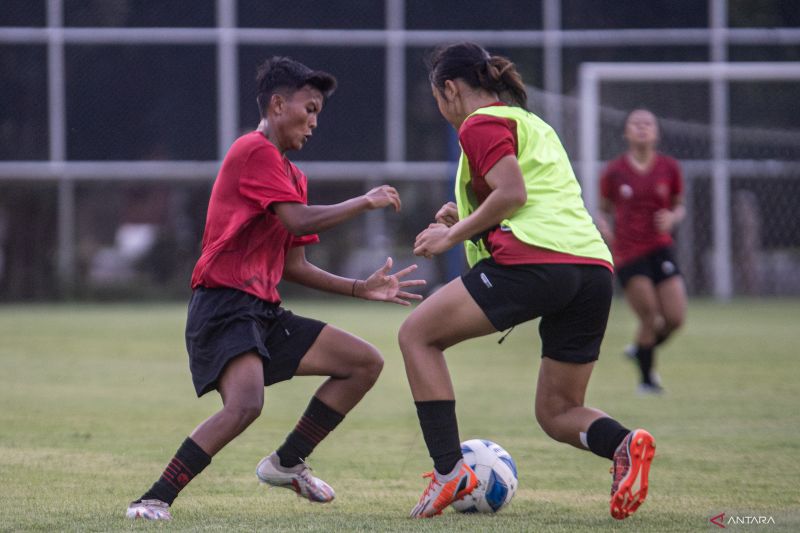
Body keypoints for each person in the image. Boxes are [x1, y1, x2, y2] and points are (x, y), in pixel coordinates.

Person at [126, 56, 425, 521]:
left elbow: (294, 264)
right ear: (278, 104)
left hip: (262, 312)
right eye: (309, 108)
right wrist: (364, 201)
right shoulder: (253, 150)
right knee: (246, 404)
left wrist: (358, 289)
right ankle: (153, 498)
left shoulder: (293, 176)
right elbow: (297, 220)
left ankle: (287, 463)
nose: (314, 121)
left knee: (363, 362)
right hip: (223, 305)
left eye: (319, 112)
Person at [398, 42, 655, 520]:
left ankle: (449, 470)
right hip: (592, 269)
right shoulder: (532, 123)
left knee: (417, 335)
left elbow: (512, 193)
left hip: (536, 263)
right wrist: (467, 215)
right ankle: (623, 443)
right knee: (557, 411)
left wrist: (451, 235)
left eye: (437, 96)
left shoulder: (479, 122)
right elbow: (532, 196)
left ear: (450, 89)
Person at [598, 109, 687, 394]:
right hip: (628, 253)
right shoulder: (614, 171)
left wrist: (672, 218)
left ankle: (640, 349)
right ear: (626, 133)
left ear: (656, 132)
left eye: (648, 123)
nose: (642, 128)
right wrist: (605, 230)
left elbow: (678, 205)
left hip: (660, 249)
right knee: (649, 316)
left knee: (674, 318)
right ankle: (647, 381)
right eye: (635, 124)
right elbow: (602, 210)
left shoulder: (669, 168)